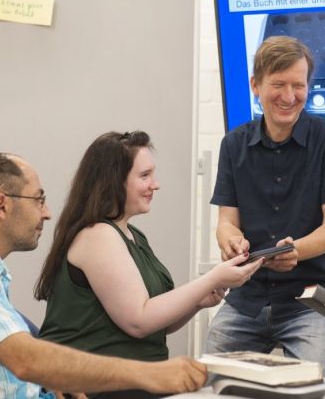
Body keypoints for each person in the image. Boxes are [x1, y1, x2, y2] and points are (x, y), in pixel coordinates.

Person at [0, 152, 207, 398]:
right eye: (39, 200)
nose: (47, 212)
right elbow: (25, 360)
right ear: (2, 205)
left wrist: (51, 379)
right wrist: (150, 374)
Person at [34, 132, 262, 384]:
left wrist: (198, 301)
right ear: (114, 182)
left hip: (135, 380)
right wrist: (211, 279)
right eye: (144, 176)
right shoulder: (97, 236)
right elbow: (138, 321)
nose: (155, 184)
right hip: (97, 385)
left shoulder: (133, 236)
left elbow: (158, 325)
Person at [204, 35, 325, 375]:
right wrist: (229, 239)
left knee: (309, 385)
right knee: (212, 380)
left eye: (299, 85)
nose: (290, 96)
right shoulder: (234, 144)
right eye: (278, 84)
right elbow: (226, 222)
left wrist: (296, 251)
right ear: (255, 85)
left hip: (313, 298)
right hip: (248, 296)